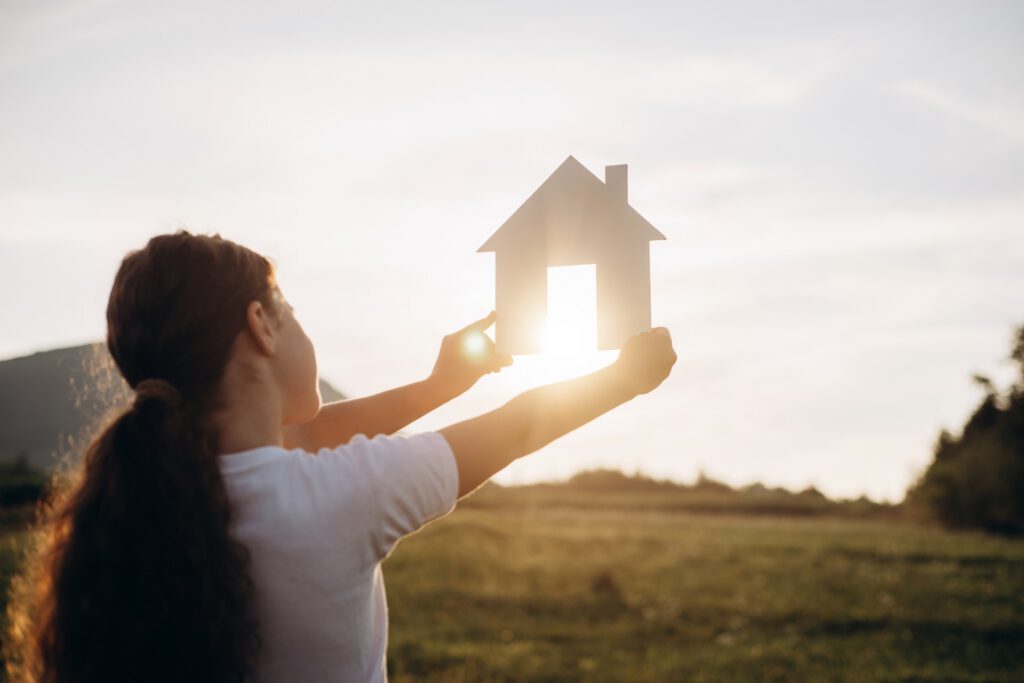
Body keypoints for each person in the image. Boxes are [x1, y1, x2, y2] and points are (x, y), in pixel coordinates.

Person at [4, 230, 676, 683]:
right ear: (261, 327)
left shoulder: (156, 495)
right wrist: (625, 377)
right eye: (287, 308)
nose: (298, 322)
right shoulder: (337, 501)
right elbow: (518, 426)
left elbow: (304, 441)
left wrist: (437, 386)